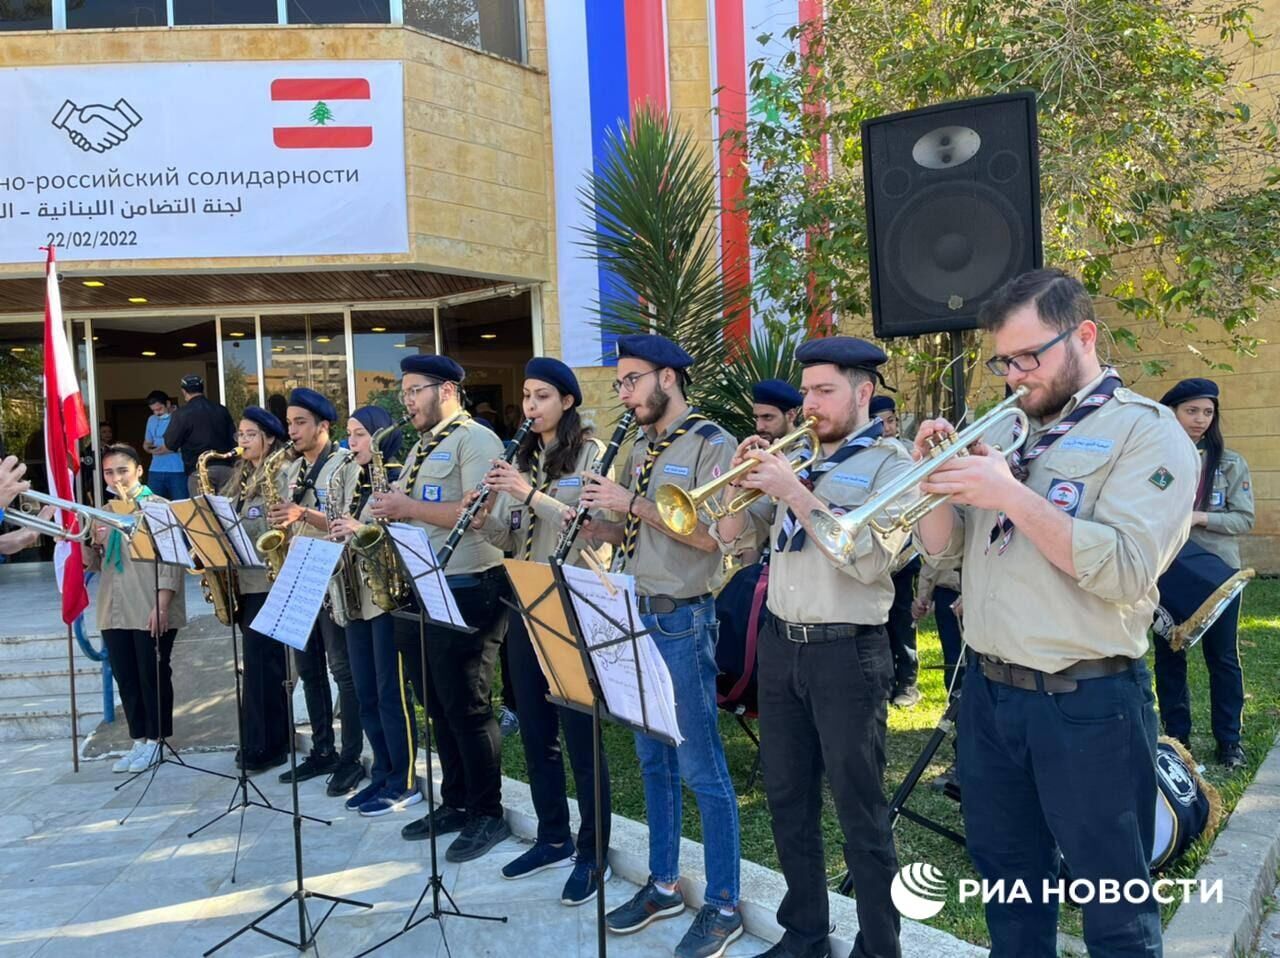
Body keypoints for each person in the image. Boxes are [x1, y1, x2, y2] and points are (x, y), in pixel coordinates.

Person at [913, 268, 1199, 956]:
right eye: (1003, 360)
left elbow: (1127, 569)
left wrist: (1007, 493)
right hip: (989, 698)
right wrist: (936, 488)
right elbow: (947, 562)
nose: (1014, 375)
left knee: (1114, 909)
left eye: (1028, 355)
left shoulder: (1147, 434)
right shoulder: (1011, 438)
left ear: (1085, 336)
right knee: (1011, 894)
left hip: (1089, 703)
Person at [714, 337, 912, 958]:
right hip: (781, 644)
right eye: (807, 391)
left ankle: (880, 946)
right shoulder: (796, 458)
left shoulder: (890, 463)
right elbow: (730, 537)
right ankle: (805, 933)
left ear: (862, 393)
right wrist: (738, 488)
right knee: (787, 797)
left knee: (861, 808)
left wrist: (796, 492)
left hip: (847, 653)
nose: (810, 404)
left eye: (824, 391)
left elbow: (871, 558)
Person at [576, 334, 743, 958]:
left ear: (668, 378)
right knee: (653, 761)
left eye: (631, 380)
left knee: (702, 766)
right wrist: (599, 520)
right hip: (633, 611)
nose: (624, 393)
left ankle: (724, 903)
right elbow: (636, 530)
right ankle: (664, 883)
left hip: (681, 620)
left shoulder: (710, 443)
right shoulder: (642, 446)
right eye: (619, 383)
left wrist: (632, 503)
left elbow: (713, 540)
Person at [469, 357, 614, 906]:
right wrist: (486, 520)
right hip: (524, 596)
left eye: (543, 397)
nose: (531, 407)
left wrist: (528, 493)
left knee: (582, 736)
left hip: (570, 604)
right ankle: (552, 835)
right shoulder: (524, 456)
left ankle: (593, 850)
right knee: (534, 729)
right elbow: (515, 539)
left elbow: (594, 531)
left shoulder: (593, 455)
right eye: (527, 396)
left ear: (568, 402)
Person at [371, 354, 512, 863]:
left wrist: (407, 508)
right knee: (436, 704)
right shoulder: (421, 447)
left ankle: (487, 813)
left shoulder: (476, 440)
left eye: (414, 391)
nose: (406, 401)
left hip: (471, 584)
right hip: (422, 585)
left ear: (447, 389)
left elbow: (481, 514)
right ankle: (456, 801)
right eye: (404, 392)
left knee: (468, 707)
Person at [327, 405, 424, 817]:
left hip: (387, 597)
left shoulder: (398, 476)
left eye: (361, 434)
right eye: (349, 434)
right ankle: (382, 771)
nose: (353, 442)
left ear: (382, 436)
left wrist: (357, 528)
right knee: (365, 692)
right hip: (355, 597)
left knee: (389, 693)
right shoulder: (351, 477)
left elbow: (401, 532)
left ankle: (403, 780)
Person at [269, 388, 366, 798]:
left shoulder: (343, 464)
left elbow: (348, 519)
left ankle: (351, 756)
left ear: (324, 426)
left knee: (342, 670)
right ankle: (322, 749)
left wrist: (302, 514)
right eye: (289, 423)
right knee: (308, 669)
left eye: (300, 423)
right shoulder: (291, 472)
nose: (291, 430)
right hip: (300, 574)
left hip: (333, 577)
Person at [1155, 377, 1255, 769]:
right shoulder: (1152, 462)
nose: (1199, 419)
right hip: (1167, 573)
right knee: (1169, 656)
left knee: (1223, 658)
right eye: (1191, 410)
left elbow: (1243, 519)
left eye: (1207, 412)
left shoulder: (1229, 463)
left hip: (1218, 577)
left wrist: (1199, 517)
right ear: (1173, 413)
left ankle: (1229, 741)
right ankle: (1176, 738)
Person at [83, 444, 188, 774]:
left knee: (151, 674)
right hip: (114, 606)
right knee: (126, 677)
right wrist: (86, 542)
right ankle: (139, 739)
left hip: (149, 604)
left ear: (139, 471)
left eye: (122, 471)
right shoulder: (103, 510)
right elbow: (94, 565)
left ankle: (158, 741)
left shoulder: (159, 507)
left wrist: (161, 606)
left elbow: (172, 561)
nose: (116, 479)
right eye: (109, 473)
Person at [220, 406, 291, 772]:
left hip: (269, 579)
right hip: (245, 582)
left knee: (266, 663)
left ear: (269, 438)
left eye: (250, 435)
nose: (242, 441)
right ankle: (257, 737)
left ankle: (271, 744)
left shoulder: (279, 474)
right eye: (240, 435)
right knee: (255, 663)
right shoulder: (242, 477)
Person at [868, 395, 921, 708]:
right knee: (877, 617)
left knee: (902, 615)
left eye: (891, 421)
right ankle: (883, 678)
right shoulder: (864, 453)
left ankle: (907, 681)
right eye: (880, 422)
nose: (887, 428)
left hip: (905, 552)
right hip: (873, 550)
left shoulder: (910, 451)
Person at [163, 374, 237, 497]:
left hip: (200, 471)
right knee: (230, 511)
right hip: (226, 468)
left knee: (204, 513)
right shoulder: (221, 410)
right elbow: (234, 439)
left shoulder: (182, 413)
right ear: (202, 389)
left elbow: (170, 444)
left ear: (183, 391)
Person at [143, 391, 187, 501]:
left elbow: (189, 443)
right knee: (152, 506)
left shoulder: (181, 416)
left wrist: (168, 449)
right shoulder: (151, 419)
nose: (157, 413)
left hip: (178, 470)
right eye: (153, 410)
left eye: (159, 409)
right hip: (155, 469)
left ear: (168, 404)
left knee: (181, 506)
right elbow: (147, 442)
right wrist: (148, 448)